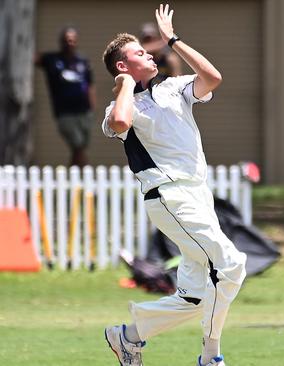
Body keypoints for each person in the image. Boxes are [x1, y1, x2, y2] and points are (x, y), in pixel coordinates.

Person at [101, 5, 246, 366]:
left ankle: (128, 336)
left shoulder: (175, 88)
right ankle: (211, 356)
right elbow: (119, 123)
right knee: (230, 266)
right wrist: (125, 84)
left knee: (196, 294)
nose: (149, 54)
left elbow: (212, 78)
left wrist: (174, 41)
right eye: (138, 53)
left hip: (197, 195)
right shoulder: (123, 104)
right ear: (122, 66)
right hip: (169, 195)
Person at [36, 26, 96, 166]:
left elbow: (90, 85)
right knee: (78, 145)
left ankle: (73, 179)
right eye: (67, 40)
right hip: (64, 113)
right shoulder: (51, 59)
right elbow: (30, 57)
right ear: (61, 41)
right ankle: (84, 173)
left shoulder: (82, 61)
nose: (70, 42)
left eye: (73, 40)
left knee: (79, 147)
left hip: (84, 111)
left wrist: (92, 107)